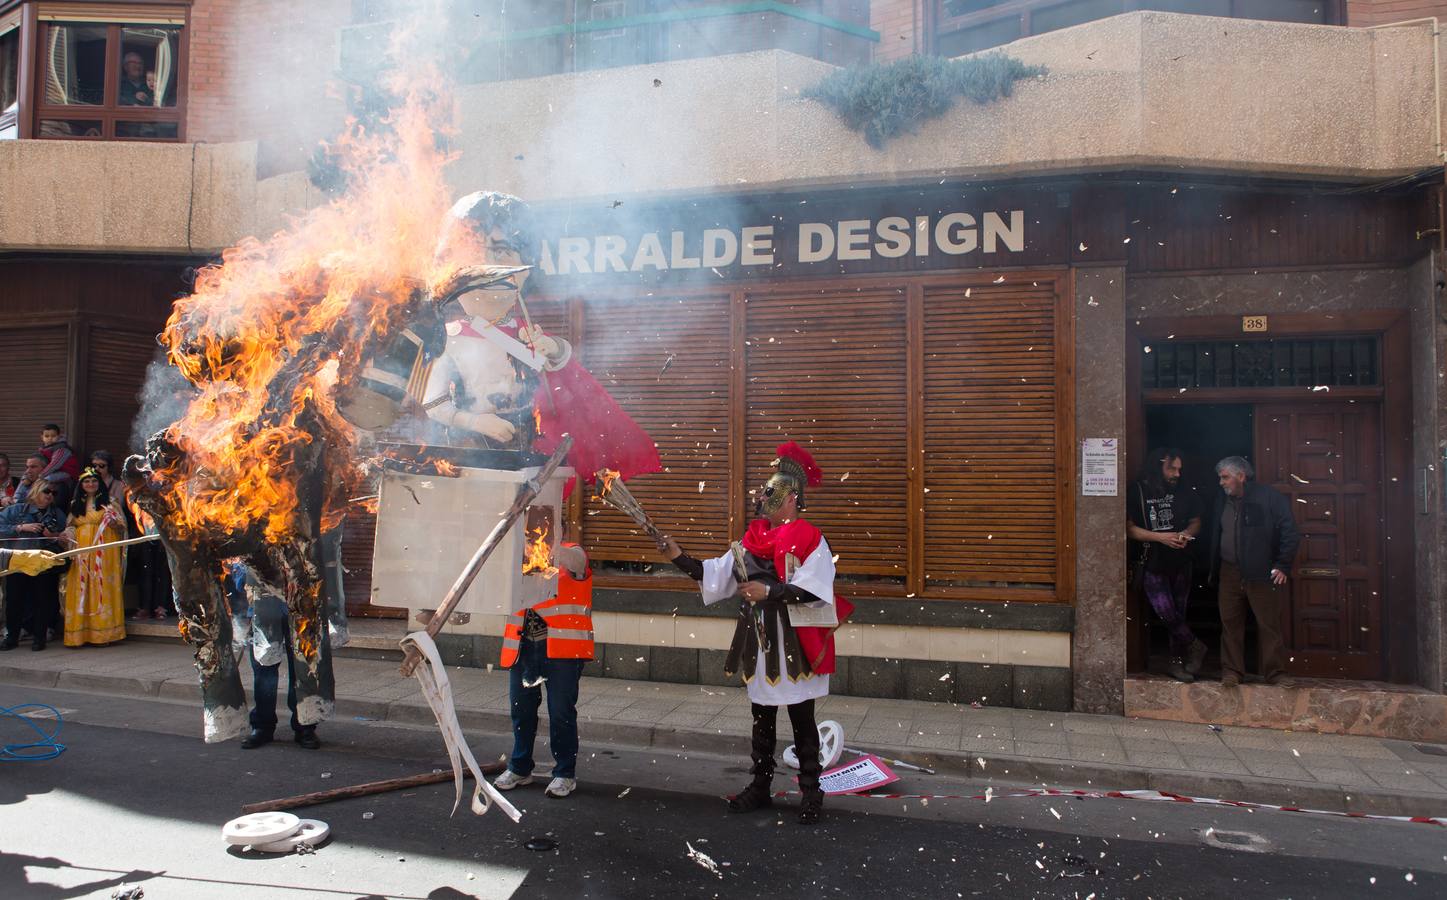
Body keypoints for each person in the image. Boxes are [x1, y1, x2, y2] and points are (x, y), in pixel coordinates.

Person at [657, 442, 848, 825]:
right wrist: (677, 556)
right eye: (763, 490)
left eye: (771, 490)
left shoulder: (811, 538)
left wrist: (771, 590)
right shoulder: (751, 539)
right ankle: (760, 786)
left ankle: (811, 793)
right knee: (761, 717)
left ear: (791, 497)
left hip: (793, 642)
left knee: (802, 719)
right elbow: (716, 574)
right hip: (759, 640)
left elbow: (817, 588)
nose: (763, 496)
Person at [422, 191, 660, 482]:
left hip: (533, 460)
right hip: (469, 461)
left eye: (501, 250)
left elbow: (562, 370)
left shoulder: (527, 334)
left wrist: (553, 349)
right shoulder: (450, 338)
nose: (487, 263)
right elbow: (434, 403)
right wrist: (477, 422)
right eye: (475, 251)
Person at [493, 542, 592, 799]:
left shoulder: (572, 551)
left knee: (561, 714)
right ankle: (520, 768)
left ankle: (564, 774)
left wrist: (547, 542)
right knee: (521, 712)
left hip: (562, 650)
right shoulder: (517, 553)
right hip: (523, 646)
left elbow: (577, 564)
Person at [1207, 456, 1300, 687]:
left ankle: (1276, 673)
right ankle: (1232, 672)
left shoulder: (1269, 497)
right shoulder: (1221, 500)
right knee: (1230, 624)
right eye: (1220, 477)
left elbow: (1289, 531)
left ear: (1241, 476)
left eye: (1225, 477)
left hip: (1261, 573)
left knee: (1269, 625)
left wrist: (1282, 564)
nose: (1221, 482)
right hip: (1229, 572)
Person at [226, 562, 324, 750]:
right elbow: (239, 575)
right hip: (262, 609)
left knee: (302, 669)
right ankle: (262, 726)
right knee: (263, 671)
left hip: (299, 608)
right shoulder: (255, 537)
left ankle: (305, 726)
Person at [1127, 447, 1206, 682]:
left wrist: (1184, 535)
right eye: (1172, 468)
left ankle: (1177, 663)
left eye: (1179, 469)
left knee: (1179, 612)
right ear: (1158, 465)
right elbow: (1128, 528)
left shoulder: (1185, 490)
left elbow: (1196, 522)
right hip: (1152, 559)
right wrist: (1161, 537)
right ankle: (1195, 644)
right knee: (1166, 611)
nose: (1177, 474)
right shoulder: (1138, 490)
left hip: (1181, 560)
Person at [61, 468, 126, 647]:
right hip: (81, 552)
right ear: (81, 485)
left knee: (101, 587)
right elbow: (71, 526)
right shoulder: (76, 504)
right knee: (80, 588)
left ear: (100, 484)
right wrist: (66, 535)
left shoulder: (110, 502)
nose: (90, 484)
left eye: (94, 481)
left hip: (104, 553)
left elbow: (122, 528)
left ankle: (104, 634)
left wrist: (113, 522)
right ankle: (78, 636)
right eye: (87, 481)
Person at [0, 480, 68, 650]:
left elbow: (63, 537)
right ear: (36, 490)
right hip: (18, 562)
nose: (50, 496)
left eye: (54, 493)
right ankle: (11, 638)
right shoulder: (17, 509)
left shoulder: (57, 513)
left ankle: (40, 639)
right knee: (14, 601)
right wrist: (21, 527)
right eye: (47, 491)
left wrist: (54, 535)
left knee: (42, 602)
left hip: (43, 564)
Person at [36, 425, 81, 508]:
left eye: (53, 436)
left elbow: (54, 464)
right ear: (42, 437)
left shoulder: (62, 448)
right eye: (47, 436)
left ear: (59, 436)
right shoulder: (44, 449)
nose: (50, 438)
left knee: (46, 480)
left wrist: (41, 476)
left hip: (67, 472)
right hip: (55, 472)